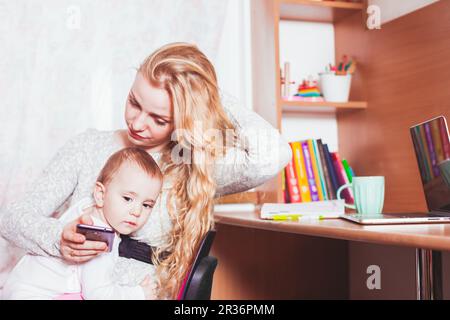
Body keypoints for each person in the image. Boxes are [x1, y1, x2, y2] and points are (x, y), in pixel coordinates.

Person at [0, 42, 292, 299]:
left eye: (158, 118)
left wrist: (207, 94)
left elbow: (272, 155)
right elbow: (11, 218)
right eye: (134, 103)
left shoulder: (191, 163)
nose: (138, 123)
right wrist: (59, 238)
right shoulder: (88, 146)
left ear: (184, 118)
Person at [2, 147, 163, 299]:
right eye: (128, 198)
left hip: (20, 285)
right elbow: (97, 295)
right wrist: (138, 294)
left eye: (146, 205)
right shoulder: (98, 236)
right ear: (100, 194)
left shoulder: (85, 207)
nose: (137, 212)